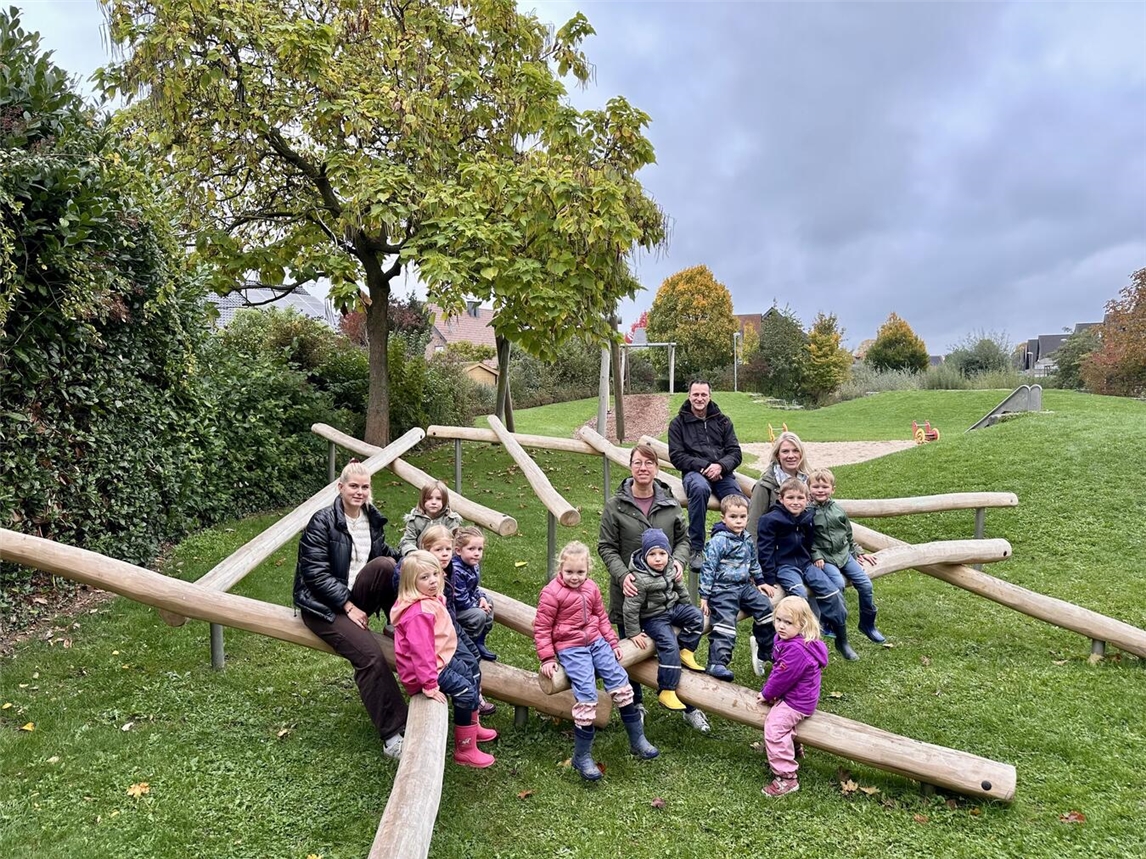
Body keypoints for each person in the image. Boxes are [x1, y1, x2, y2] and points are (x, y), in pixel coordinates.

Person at [293, 461, 406, 759]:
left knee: (388, 566)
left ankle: (400, 623)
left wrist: (420, 558)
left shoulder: (371, 518)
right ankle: (394, 734)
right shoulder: (323, 521)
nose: (359, 492)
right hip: (323, 606)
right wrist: (348, 605)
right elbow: (315, 575)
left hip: (357, 596)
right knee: (370, 656)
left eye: (364, 487)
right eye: (353, 486)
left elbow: (384, 556)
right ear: (340, 487)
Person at [533, 542, 659, 781]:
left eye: (580, 572)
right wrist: (548, 657)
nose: (574, 577)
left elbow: (600, 617)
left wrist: (612, 642)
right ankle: (582, 757)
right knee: (587, 694)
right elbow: (542, 627)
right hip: (571, 647)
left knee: (620, 682)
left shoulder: (591, 588)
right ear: (561, 568)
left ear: (588, 570)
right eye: (569, 572)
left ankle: (637, 739)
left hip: (596, 642)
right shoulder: (551, 593)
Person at [599, 443, 703, 729]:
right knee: (632, 648)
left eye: (648, 463)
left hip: (667, 597)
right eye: (637, 463)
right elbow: (606, 546)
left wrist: (679, 560)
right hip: (630, 594)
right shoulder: (616, 505)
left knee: (676, 644)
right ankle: (636, 704)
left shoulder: (669, 503)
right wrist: (623, 576)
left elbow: (684, 539)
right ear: (630, 467)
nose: (643, 468)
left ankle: (688, 702)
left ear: (657, 468)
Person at [391, 550, 497, 768]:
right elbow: (421, 653)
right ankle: (465, 749)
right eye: (424, 577)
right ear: (411, 582)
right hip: (427, 672)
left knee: (471, 675)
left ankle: (472, 725)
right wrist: (429, 685)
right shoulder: (419, 613)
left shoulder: (430, 600)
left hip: (440, 660)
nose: (432, 581)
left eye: (435, 574)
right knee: (466, 692)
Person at [757, 478, 857, 660]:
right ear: (781, 498)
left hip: (805, 564)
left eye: (800, 498)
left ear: (807, 499)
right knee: (799, 598)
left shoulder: (807, 517)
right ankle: (790, 645)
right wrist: (768, 579)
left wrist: (816, 559)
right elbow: (765, 550)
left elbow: (811, 542)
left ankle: (841, 639)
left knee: (832, 592)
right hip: (785, 566)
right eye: (791, 498)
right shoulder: (770, 520)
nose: (796, 502)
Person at [623, 528, 708, 727]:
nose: (658, 559)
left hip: (672, 608)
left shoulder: (670, 567)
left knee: (697, 617)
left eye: (662, 553)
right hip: (653, 618)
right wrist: (633, 632)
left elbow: (680, 588)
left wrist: (686, 606)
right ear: (644, 556)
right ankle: (666, 690)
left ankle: (686, 650)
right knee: (669, 644)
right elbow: (631, 607)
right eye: (652, 554)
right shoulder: (640, 578)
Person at [668, 379, 746, 570]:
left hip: (722, 473)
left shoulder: (723, 421)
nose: (699, 398)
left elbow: (735, 452)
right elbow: (677, 456)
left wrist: (720, 466)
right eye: (696, 394)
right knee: (699, 488)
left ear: (709, 396)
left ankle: (735, 544)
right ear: (689, 396)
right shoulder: (678, 424)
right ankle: (696, 548)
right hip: (695, 472)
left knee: (737, 501)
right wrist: (705, 467)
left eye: (703, 394)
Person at [420, 525, 497, 717]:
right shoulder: (426, 575)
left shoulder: (451, 569)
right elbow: (458, 599)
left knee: (473, 657)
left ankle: (474, 709)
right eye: (439, 550)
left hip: (450, 621)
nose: (444, 554)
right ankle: (470, 707)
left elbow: (469, 591)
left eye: (446, 549)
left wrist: (480, 598)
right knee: (463, 666)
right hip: (438, 632)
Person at [698, 495, 777, 681]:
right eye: (733, 517)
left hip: (744, 586)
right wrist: (705, 596)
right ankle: (717, 663)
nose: (738, 521)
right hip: (722, 590)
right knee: (725, 624)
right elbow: (708, 567)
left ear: (748, 517)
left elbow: (753, 562)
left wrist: (760, 581)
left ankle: (767, 649)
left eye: (742, 517)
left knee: (766, 609)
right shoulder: (719, 541)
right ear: (723, 518)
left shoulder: (746, 538)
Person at [757, 595, 828, 797]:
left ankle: (787, 778)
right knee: (779, 722)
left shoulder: (797, 650)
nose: (781, 626)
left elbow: (781, 676)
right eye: (778, 620)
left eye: (788, 623)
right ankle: (793, 751)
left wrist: (767, 693)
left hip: (798, 701)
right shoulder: (786, 639)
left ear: (802, 624)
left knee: (775, 727)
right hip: (793, 693)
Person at [808, 468, 887, 645]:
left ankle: (867, 624)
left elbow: (848, 535)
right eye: (816, 486)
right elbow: (807, 539)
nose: (820, 490)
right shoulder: (808, 513)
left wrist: (857, 552)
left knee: (865, 585)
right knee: (838, 584)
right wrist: (815, 555)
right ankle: (831, 622)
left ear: (832, 489)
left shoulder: (838, 510)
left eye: (824, 486)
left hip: (843, 555)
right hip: (825, 559)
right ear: (809, 489)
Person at [747, 431, 810, 541]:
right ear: (778, 455)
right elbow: (754, 523)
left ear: (801, 454)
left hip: (806, 551)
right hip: (775, 549)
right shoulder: (765, 485)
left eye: (795, 451)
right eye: (785, 451)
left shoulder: (810, 482)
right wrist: (755, 556)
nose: (791, 456)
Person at [449, 526, 497, 661]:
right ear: (458, 551)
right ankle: (466, 644)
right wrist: (478, 605)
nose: (477, 553)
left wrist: (481, 598)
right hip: (456, 609)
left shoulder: (473, 565)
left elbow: (473, 588)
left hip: (467, 601)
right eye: (471, 549)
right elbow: (460, 600)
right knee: (479, 614)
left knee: (489, 601)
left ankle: (480, 641)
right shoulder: (456, 570)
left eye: (480, 549)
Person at [397, 480, 463, 557]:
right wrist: (413, 554)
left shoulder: (450, 520)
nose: (433, 502)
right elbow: (408, 540)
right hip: (420, 559)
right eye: (429, 498)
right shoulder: (415, 519)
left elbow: (454, 542)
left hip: (444, 558)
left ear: (445, 501)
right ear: (422, 499)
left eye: (438, 498)